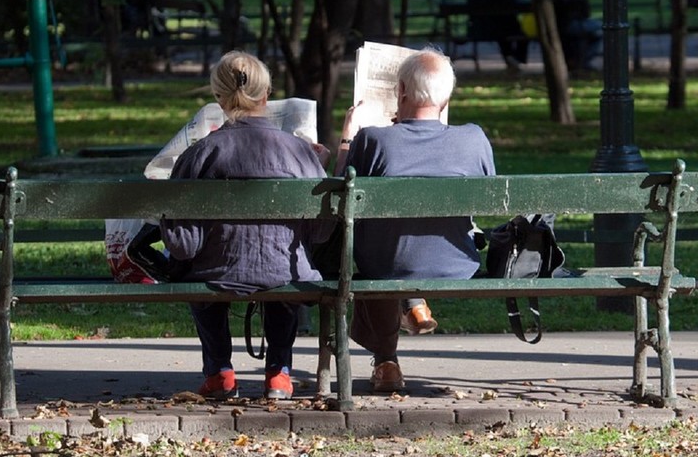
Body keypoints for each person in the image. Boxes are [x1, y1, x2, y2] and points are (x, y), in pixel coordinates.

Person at [160, 51, 333, 400]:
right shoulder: (300, 153)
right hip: (286, 270)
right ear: (266, 95)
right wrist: (319, 165)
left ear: (218, 99)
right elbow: (320, 232)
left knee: (196, 273)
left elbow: (184, 246)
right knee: (284, 267)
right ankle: (279, 375)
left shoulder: (201, 154)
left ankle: (219, 372)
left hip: (216, 271)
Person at [336, 47, 496, 392]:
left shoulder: (374, 139)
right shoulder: (473, 138)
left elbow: (340, 198)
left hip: (387, 263)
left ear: (402, 92)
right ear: (447, 96)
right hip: (455, 263)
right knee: (395, 247)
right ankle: (414, 305)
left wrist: (348, 136)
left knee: (376, 257)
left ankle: (386, 360)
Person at [466, 0, 529, 71]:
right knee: (518, 33)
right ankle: (516, 58)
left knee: (503, 31)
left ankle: (510, 58)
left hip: (478, 29)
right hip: (499, 29)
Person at [550, 0, 602, 71]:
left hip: (556, 24)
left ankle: (578, 60)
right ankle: (584, 60)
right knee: (604, 29)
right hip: (571, 23)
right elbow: (585, 11)